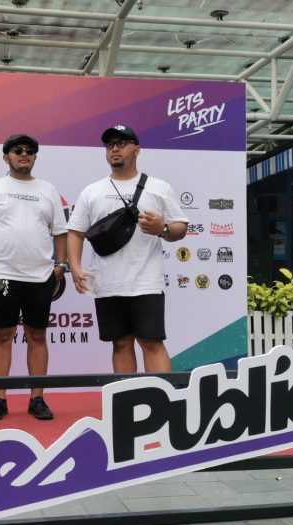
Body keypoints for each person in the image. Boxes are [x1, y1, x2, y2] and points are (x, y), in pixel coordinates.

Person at [66, 125, 188, 373]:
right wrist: (75, 267)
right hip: (107, 283)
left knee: (151, 343)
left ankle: (160, 396)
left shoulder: (159, 187)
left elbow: (181, 227)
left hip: (146, 283)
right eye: (110, 145)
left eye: (121, 143)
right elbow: (76, 232)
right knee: (120, 344)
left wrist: (162, 229)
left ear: (137, 149)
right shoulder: (92, 191)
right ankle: (128, 395)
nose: (115, 149)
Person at [0, 134, 68, 421]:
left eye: (29, 150)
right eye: (17, 150)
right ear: (6, 157)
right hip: (2, 275)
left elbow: (60, 231)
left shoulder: (48, 189)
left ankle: (37, 398)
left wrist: (61, 265)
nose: (24, 154)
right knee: (2, 335)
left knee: (37, 335)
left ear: (35, 157)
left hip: (40, 276)